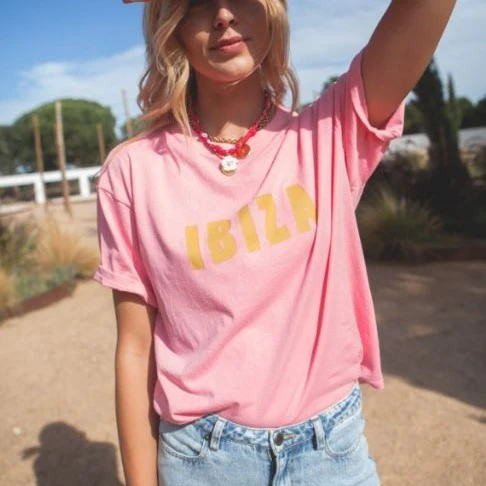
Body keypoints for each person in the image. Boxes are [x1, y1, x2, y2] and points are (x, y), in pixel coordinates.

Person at [93, 1, 457, 485]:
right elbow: (136, 351)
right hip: (202, 462)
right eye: (198, 1)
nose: (223, 14)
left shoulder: (330, 133)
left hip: (332, 455)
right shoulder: (132, 173)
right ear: (171, 27)